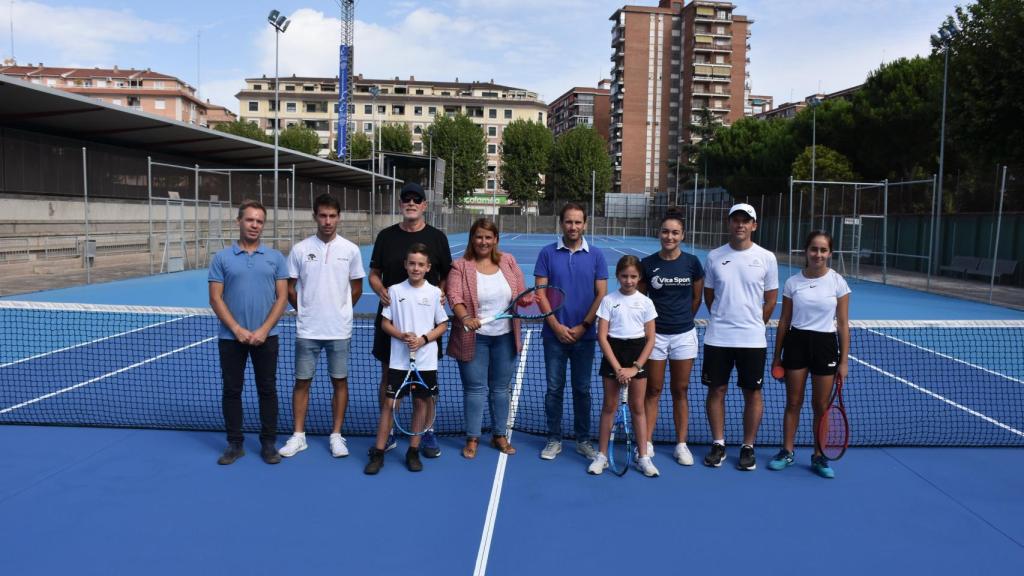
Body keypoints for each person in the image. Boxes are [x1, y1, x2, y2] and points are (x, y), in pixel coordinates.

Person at [368, 182, 452, 458]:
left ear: (425, 205)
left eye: (417, 199)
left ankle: (427, 431)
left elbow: (446, 275)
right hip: (393, 321)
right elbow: (374, 273)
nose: (411, 203)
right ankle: (390, 430)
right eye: (407, 199)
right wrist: (379, 288)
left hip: (426, 325)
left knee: (427, 382)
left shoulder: (438, 238)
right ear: (401, 204)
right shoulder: (386, 236)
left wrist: (442, 293)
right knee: (388, 377)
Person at [278, 194, 365, 459]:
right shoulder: (300, 249)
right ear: (315, 216)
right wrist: (303, 309)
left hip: (339, 330)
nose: (328, 221)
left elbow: (357, 287)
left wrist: (341, 310)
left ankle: (337, 436)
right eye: (323, 215)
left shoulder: (350, 250)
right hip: (308, 330)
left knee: (340, 381)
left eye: (332, 215)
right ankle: (298, 436)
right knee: (302, 382)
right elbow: (289, 287)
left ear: (339, 217)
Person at [208, 199, 289, 465]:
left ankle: (268, 444)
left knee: (267, 390)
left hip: (267, 338)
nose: (255, 225)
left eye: (259, 221)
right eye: (250, 220)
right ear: (239, 222)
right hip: (231, 339)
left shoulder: (276, 258)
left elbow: (282, 297)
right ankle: (235, 444)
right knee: (232, 390)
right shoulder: (221, 258)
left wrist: (264, 330)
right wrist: (237, 329)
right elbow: (216, 299)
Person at [701, 203, 778, 471]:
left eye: (746, 221)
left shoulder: (767, 257)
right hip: (718, 338)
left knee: (752, 392)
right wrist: (723, 317)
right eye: (736, 220)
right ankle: (718, 443)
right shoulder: (714, 256)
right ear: (729, 223)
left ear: (754, 225)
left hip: (752, 340)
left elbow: (771, 298)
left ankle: (748, 447)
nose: (740, 225)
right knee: (716, 390)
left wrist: (755, 322)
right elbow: (708, 295)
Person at [768, 230, 850, 479]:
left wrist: (844, 361)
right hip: (797, 342)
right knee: (793, 403)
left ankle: (819, 455)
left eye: (823, 250)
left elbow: (843, 324)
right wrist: (777, 356)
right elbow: (784, 321)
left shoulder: (838, 283)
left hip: (825, 345)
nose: (818, 254)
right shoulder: (793, 282)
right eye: (814, 249)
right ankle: (787, 451)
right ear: (806, 251)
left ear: (830, 253)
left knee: (821, 406)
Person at [364, 244, 449, 474]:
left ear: (428, 267)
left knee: (421, 403)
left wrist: (423, 339)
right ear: (405, 265)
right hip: (399, 361)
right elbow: (385, 323)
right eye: (412, 263)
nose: (416, 268)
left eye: (421, 264)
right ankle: (378, 452)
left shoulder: (434, 293)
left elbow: (443, 324)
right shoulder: (393, 291)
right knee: (389, 405)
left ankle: (413, 451)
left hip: (426, 360)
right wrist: (401, 335)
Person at [446, 218, 526, 459]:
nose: (483, 241)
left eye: (488, 237)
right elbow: (454, 296)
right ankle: (472, 437)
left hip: (505, 336)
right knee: (475, 390)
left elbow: (520, 293)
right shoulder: (460, 266)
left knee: (501, 389)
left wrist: (526, 300)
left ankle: (499, 434)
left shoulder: (508, 262)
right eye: (479, 236)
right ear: (472, 238)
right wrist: (466, 317)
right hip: (474, 337)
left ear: (495, 240)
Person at [535, 202, 608, 461]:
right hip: (553, 336)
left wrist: (583, 326)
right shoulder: (547, 253)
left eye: (578, 222)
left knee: (582, 390)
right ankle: (554, 439)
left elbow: (601, 294)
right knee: (554, 389)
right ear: (561, 223)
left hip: (584, 337)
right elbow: (540, 293)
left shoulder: (597, 255)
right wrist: (555, 325)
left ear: (585, 224)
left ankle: (583, 439)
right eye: (569, 222)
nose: (573, 226)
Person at [640, 210, 704, 466]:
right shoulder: (647, 264)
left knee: (680, 390)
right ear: (659, 234)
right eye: (665, 231)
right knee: (653, 390)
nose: (670, 236)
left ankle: (681, 444)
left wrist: (682, 319)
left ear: (682, 235)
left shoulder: (692, 263)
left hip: (684, 336)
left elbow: (697, 298)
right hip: (656, 337)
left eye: (675, 232)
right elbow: (642, 302)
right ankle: (646, 442)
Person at [589, 255, 659, 477]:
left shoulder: (646, 302)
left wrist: (635, 367)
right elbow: (602, 337)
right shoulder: (609, 300)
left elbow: (650, 339)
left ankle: (643, 457)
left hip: (637, 354)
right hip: (613, 354)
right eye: (624, 276)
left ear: (639, 278)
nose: (628, 281)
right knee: (609, 406)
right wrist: (618, 367)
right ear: (617, 276)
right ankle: (602, 456)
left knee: (638, 408)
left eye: (633, 276)